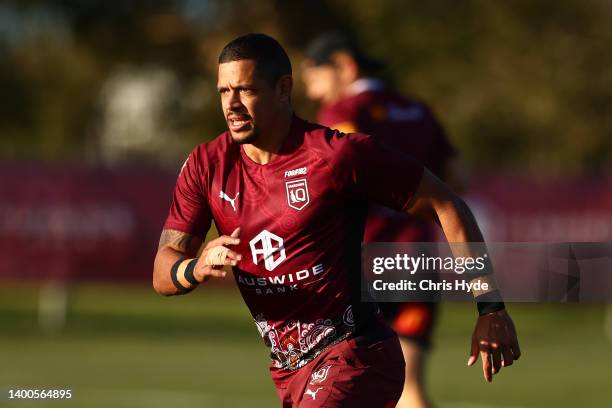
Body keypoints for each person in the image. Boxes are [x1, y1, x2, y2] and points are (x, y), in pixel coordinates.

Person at [153, 33, 520, 408]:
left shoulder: (336, 155)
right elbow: (162, 272)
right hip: (290, 371)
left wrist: (490, 307)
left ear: (283, 88)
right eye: (223, 91)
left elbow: (447, 203)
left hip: (357, 356)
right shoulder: (205, 165)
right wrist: (194, 268)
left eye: (246, 90)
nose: (231, 104)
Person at [301, 32, 465, 408]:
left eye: (315, 77)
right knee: (410, 388)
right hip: (417, 258)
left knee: (334, 386)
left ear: (344, 65)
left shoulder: (345, 113)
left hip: (364, 261)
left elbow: (334, 178)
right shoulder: (419, 110)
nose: (314, 93)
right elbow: (458, 180)